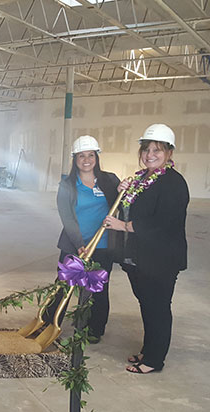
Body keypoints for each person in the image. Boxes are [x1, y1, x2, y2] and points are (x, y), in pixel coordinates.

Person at [103, 123, 189, 374]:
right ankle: (148, 349)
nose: (150, 154)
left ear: (169, 153)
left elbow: (162, 224)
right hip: (139, 257)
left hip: (161, 258)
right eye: (146, 149)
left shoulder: (173, 183)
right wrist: (122, 194)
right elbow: (131, 208)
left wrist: (123, 226)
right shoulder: (142, 179)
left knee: (158, 307)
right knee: (146, 304)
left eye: (157, 150)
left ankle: (154, 360)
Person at [48, 135, 121, 343]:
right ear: (75, 159)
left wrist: (125, 191)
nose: (86, 160)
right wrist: (80, 245)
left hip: (102, 246)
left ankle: (94, 329)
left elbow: (122, 204)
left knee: (98, 290)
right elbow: (67, 217)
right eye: (81, 156)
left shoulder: (110, 180)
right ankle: (50, 323)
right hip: (75, 246)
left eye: (91, 155)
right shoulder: (68, 185)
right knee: (63, 287)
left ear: (97, 157)